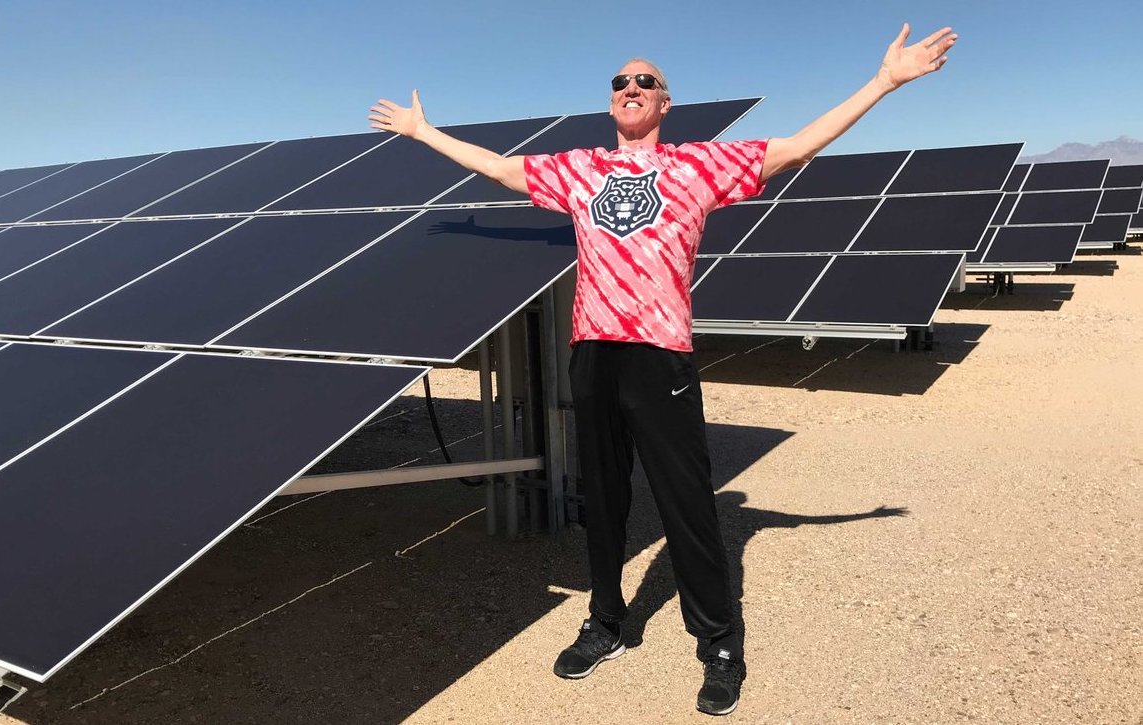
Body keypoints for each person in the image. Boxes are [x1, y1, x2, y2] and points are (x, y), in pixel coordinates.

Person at [369, 23, 955, 716]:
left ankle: (719, 644)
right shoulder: (579, 167)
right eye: (620, 82)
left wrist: (884, 81)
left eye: (644, 81)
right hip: (593, 351)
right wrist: (422, 130)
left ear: (665, 103)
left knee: (687, 503)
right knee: (604, 499)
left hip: (660, 353)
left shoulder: (699, 166)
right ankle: (607, 621)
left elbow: (797, 145)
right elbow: (499, 169)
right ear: (611, 101)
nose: (630, 88)